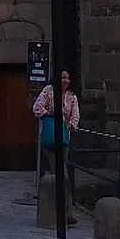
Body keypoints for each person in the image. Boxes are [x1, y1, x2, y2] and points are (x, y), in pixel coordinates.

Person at [33, 68, 80, 223]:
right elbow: (37, 107)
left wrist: (69, 125)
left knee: (60, 171)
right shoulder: (49, 91)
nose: (65, 80)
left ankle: (62, 209)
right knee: (61, 172)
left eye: (67, 77)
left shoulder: (71, 97)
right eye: (62, 77)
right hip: (49, 137)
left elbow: (75, 116)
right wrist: (51, 116)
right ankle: (66, 211)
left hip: (63, 138)